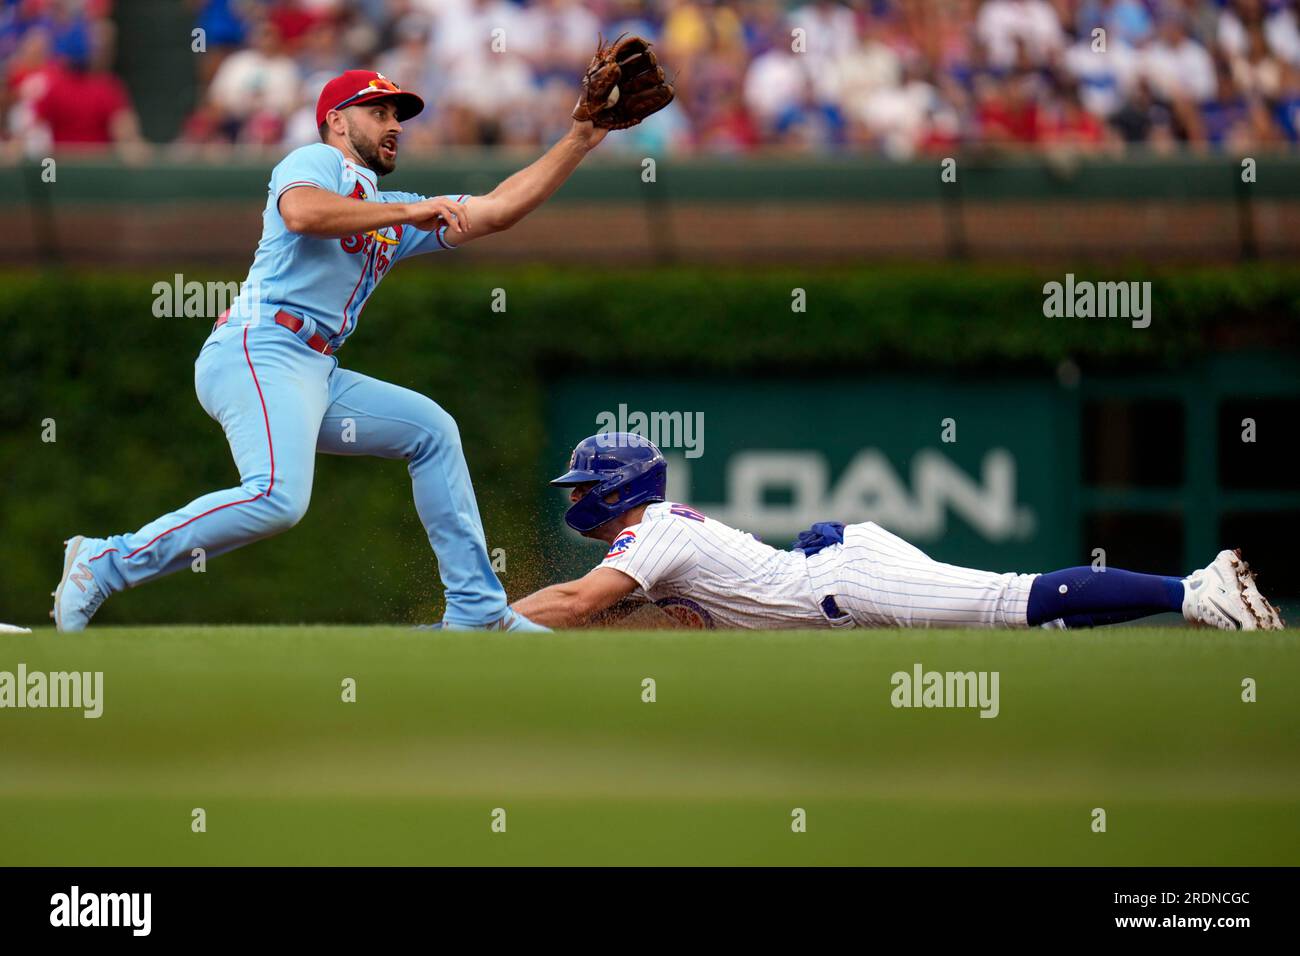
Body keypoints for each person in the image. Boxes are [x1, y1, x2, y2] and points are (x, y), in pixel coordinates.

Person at [51, 68, 615, 632]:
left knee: (431, 430)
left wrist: (577, 141)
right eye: (380, 112)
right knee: (276, 498)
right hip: (259, 343)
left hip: (313, 368)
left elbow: (495, 210)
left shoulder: (391, 208)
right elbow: (303, 214)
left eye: (398, 116)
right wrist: (408, 211)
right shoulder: (318, 162)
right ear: (336, 121)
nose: (394, 125)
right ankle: (106, 562)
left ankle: (477, 611)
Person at [512, 433, 1285, 632]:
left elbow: (579, 603)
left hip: (845, 590)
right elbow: (596, 611)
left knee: (1010, 601)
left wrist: (485, 620)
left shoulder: (649, 534)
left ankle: (1194, 590)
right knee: (1016, 621)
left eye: (584, 484)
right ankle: (1178, 596)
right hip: (834, 581)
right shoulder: (652, 539)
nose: (577, 497)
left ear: (617, 486)